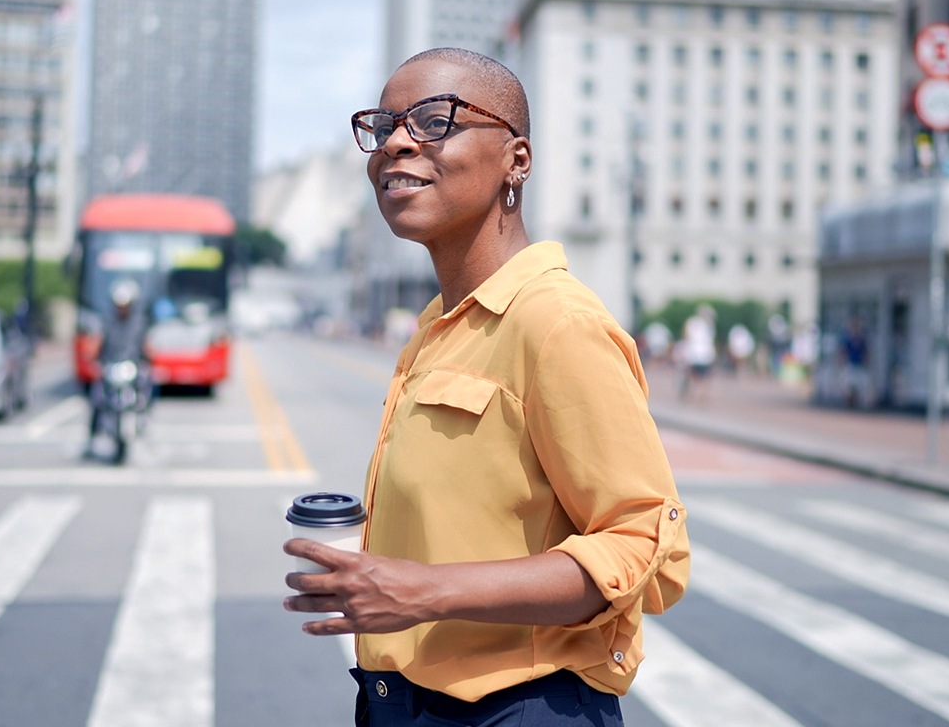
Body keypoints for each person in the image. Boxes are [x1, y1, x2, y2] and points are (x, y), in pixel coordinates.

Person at [284, 47, 690, 726]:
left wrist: (427, 591)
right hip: (400, 704)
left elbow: (647, 548)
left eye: (435, 121)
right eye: (383, 127)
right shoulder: (438, 327)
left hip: (515, 711)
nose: (397, 142)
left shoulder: (556, 323)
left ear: (517, 160)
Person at [85, 278, 151, 458]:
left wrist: (148, 360)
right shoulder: (107, 321)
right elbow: (98, 344)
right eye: (119, 304)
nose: (122, 308)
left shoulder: (139, 322)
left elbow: (144, 346)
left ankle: (143, 421)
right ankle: (92, 436)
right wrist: (94, 360)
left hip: (132, 367)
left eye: (125, 304)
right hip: (111, 367)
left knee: (147, 388)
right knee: (97, 398)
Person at [678, 305, 716, 402]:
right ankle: (698, 393)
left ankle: (697, 393)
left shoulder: (700, 324)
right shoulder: (706, 325)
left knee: (696, 375)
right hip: (698, 354)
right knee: (700, 375)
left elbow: (686, 335)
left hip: (699, 354)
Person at [841, 316, 869, 408]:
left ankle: (855, 401)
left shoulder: (861, 340)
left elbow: (865, 352)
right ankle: (850, 402)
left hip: (859, 364)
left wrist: (866, 361)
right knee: (850, 384)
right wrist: (842, 361)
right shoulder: (848, 339)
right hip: (851, 363)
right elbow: (844, 351)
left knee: (858, 384)